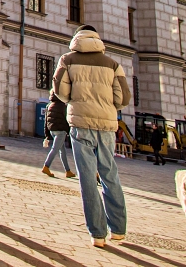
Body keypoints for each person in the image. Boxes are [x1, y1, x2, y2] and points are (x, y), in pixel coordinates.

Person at [53, 24, 132, 249]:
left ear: (77, 38)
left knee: (87, 178)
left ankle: (98, 234)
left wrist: (74, 103)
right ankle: (118, 229)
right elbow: (123, 98)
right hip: (107, 126)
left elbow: (60, 90)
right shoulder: (113, 64)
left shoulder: (67, 60)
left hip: (80, 123)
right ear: (97, 39)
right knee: (109, 175)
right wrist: (108, 106)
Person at [41, 94, 75, 178]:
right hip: (61, 131)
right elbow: (67, 119)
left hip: (52, 130)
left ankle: (68, 171)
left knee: (62, 151)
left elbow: (46, 121)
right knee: (55, 149)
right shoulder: (63, 106)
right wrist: (68, 131)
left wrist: (47, 134)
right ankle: (46, 166)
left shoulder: (49, 105)